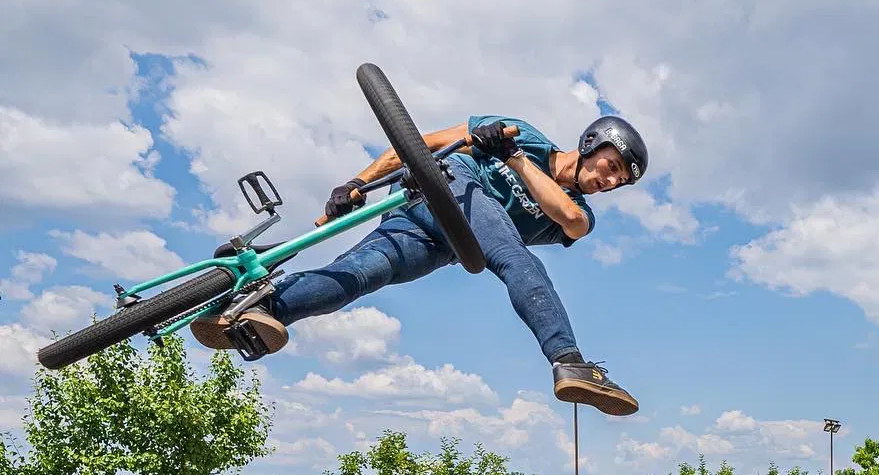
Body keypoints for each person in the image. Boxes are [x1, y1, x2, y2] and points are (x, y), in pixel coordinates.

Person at [189, 112, 647, 417]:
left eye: (618, 182)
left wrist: (513, 159)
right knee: (514, 257)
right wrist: (356, 182)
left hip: (442, 242)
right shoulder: (519, 131)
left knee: (361, 276)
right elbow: (417, 145)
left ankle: (254, 310)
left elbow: (569, 219)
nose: (608, 181)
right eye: (611, 167)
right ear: (591, 143)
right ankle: (569, 362)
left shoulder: (575, 210)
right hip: (440, 189)